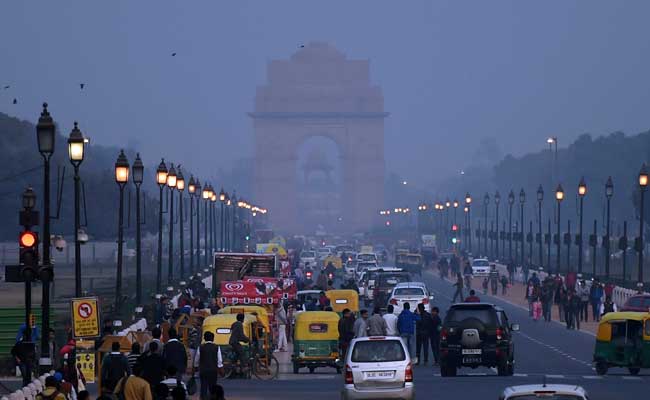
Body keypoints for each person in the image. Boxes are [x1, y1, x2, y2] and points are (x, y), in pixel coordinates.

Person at [194, 331, 223, 400]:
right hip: (213, 370)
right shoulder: (216, 347)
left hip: (203, 370)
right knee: (212, 387)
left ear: (204, 338)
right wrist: (220, 369)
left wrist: (196, 367)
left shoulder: (201, 347)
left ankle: (203, 398)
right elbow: (219, 360)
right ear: (213, 339)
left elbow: (196, 359)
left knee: (203, 386)